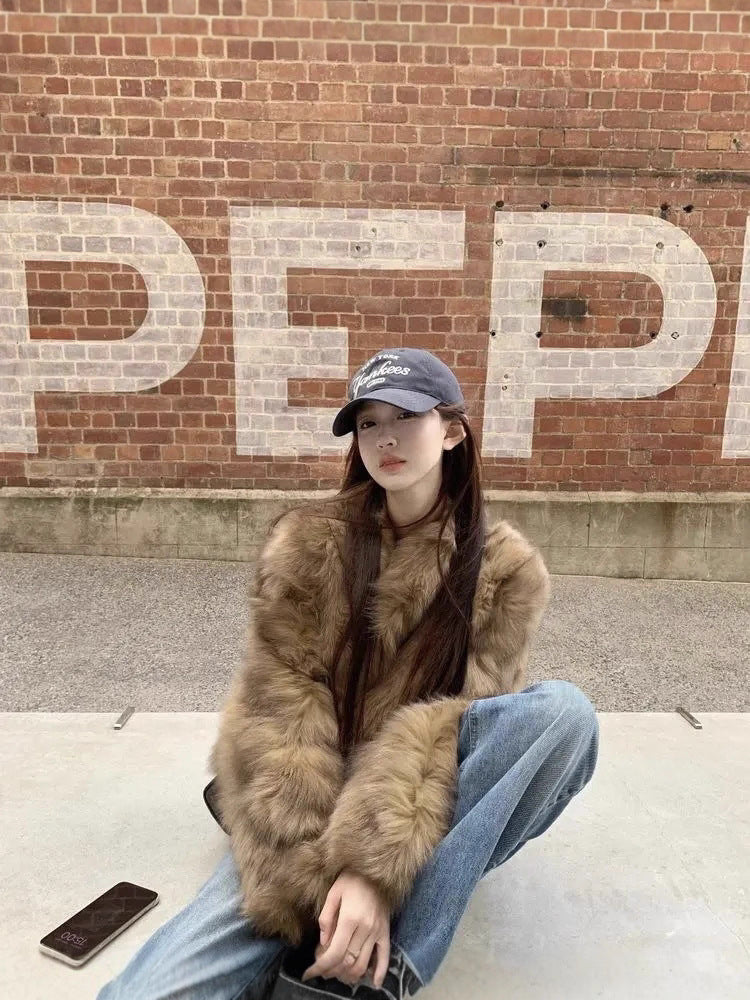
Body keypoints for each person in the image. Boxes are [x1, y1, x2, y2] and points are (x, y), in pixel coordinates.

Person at [96, 347, 600, 1000]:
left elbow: (455, 728)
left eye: (406, 416)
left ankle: (379, 971)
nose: (385, 437)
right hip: (305, 802)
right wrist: (308, 873)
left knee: (563, 717)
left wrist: (371, 869)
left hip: (421, 806)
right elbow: (277, 710)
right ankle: (327, 949)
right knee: (154, 991)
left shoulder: (506, 572)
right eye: (368, 422)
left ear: (452, 431)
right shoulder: (311, 544)